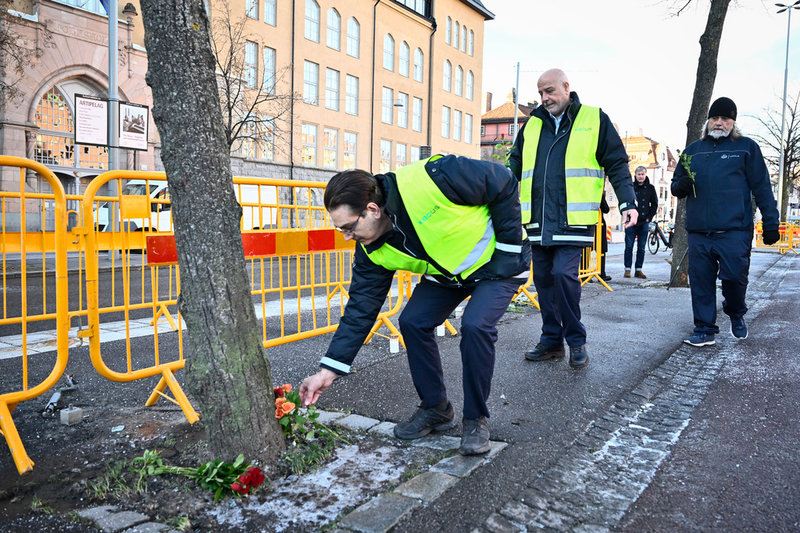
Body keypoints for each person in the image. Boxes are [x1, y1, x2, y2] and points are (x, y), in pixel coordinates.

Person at [299, 155, 531, 455]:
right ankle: (436, 408)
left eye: (348, 226)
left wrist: (508, 252)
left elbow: (502, 180)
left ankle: (475, 419)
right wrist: (328, 370)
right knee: (413, 321)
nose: (346, 237)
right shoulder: (369, 249)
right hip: (448, 275)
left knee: (475, 325)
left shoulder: (433, 178)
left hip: (498, 264)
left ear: (372, 209)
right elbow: (361, 308)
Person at [507, 68, 638, 369]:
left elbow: (616, 162)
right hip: (537, 218)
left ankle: (576, 341)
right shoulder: (532, 125)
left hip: (572, 218)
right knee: (543, 280)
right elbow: (513, 166)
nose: (544, 98)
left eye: (550, 91)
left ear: (567, 87)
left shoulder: (593, 119)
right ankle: (552, 341)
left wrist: (628, 201)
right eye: (540, 92)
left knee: (564, 277)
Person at [672, 96, 780, 347]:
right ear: (708, 120)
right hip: (699, 231)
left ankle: (736, 311)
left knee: (734, 278)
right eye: (715, 118)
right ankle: (704, 328)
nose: (719, 123)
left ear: (733, 122)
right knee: (701, 282)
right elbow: (676, 185)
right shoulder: (692, 152)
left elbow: (762, 186)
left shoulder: (746, 148)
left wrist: (771, 222)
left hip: (734, 229)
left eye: (725, 119)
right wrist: (682, 185)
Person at [623, 166, 659, 279]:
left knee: (641, 248)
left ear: (645, 175)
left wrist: (649, 218)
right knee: (629, 247)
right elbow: (625, 202)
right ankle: (627, 269)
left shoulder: (651, 188)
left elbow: (654, 204)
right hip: (631, 222)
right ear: (636, 175)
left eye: (642, 174)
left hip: (644, 222)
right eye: (639, 174)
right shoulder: (630, 188)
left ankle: (638, 270)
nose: (641, 176)